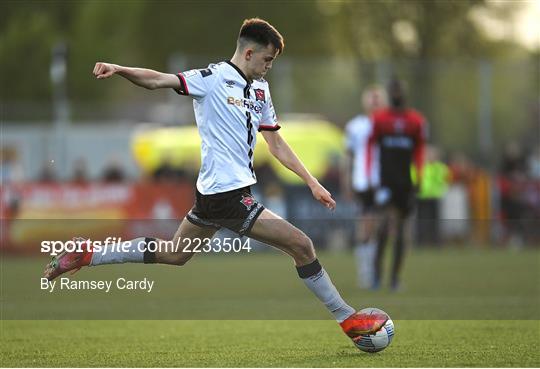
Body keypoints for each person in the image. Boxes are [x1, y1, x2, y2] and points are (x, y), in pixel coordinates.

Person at [43, 18, 387, 344]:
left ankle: (88, 254)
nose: (269, 66)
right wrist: (120, 69)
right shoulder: (211, 78)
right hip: (226, 193)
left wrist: (311, 181)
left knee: (175, 254)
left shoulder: (261, 91)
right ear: (249, 53)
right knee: (302, 245)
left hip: (218, 194)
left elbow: (276, 143)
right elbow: (157, 79)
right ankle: (348, 320)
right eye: (267, 59)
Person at [367, 78, 426, 290]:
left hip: (405, 183)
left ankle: (394, 278)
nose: (396, 95)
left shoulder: (415, 121)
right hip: (385, 181)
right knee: (382, 228)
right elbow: (370, 148)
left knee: (402, 233)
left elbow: (419, 151)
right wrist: (371, 176)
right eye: (393, 91)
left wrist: (419, 176)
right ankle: (376, 275)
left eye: (399, 91)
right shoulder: (380, 119)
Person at [342, 85, 387, 288]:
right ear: (364, 101)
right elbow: (348, 156)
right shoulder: (355, 126)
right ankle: (365, 272)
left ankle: (379, 273)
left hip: (385, 182)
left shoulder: (389, 124)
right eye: (372, 98)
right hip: (364, 181)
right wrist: (347, 181)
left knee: (384, 228)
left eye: (378, 98)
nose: (375, 101)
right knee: (366, 226)